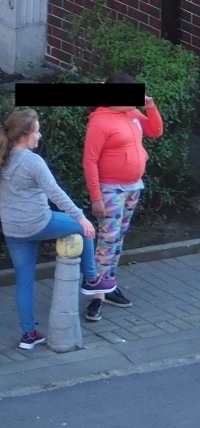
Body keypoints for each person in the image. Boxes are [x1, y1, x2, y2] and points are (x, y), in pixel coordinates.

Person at [1, 109, 116, 350]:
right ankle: (91, 280)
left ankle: (29, 335)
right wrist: (81, 217)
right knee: (83, 229)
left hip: (12, 229)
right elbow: (56, 194)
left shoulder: (3, 156)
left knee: (24, 281)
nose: (40, 135)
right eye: (37, 131)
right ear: (25, 135)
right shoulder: (33, 161)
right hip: (38, 222)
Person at [82, 73, 163, 322]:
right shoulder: (99, 122)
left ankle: (108, 285)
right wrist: (96, 198)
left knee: (117, 239)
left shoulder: (132, 114)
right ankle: (97, 294)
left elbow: (155, 131)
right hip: (110, 189)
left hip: (132, 187)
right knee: (108, 239)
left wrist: (150, 107)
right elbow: (89, 161)